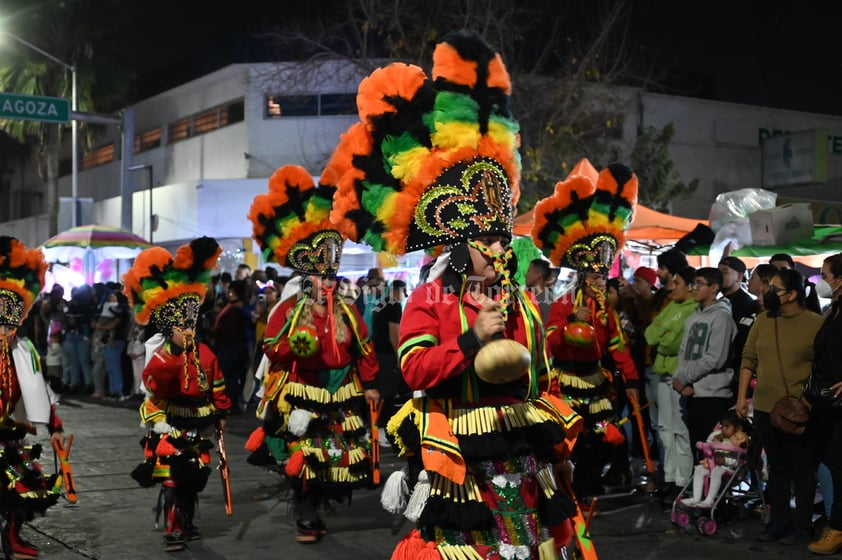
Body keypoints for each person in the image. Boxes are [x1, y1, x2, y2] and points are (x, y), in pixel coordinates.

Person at [326, 31, 584, 559]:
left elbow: (541, 373)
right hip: (459, 455)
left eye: (501, 237)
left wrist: (559, 446)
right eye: (487, 240)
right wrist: (472, 338)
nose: (499, 249)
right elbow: (415, 371)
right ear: (461, 246)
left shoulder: (522, 300)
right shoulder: (430, 299)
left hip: (522, 451)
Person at [247, 164, 380, 544]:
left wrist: (370, 384)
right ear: (308, 278)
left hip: (341, 394)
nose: (329, 284)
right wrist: (295, 346)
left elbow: (364, 348)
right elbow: (271, 348)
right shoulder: (289, 311)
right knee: (304, 457)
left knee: (335, 457)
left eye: (333, 277)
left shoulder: (349, 311)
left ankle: (318, 504)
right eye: (323, 278)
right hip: (302, 391)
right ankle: (305, 510)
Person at [533, 158, 640, 499]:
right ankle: (570, 485)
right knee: (572, 435)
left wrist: (632, 379)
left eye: (601, 276)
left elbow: (618, 347)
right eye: (593, 276)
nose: (598, 281)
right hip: (567, 380)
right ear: (581, 275)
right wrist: (570, 326)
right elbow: (550, 343)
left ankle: (590, 482)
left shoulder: (607, 310)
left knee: (599, 435)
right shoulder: (564, 303)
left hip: (596, 381)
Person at [122, 237, 232, 552]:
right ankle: (173, 526)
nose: (188, 329)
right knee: (172, 478)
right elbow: (153, 385)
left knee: (194, 477)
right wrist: (174, 354)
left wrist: (221, 413)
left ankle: (187, 519)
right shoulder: (160, 354)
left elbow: (217, 384)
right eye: (181, 325)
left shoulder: (206, 353)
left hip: (197, 423)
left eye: (192, 323)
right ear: (169, 327)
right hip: (168, 423)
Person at [735, 268, 824, 545]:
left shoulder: (816, 324)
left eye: (774, 289)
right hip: (763, 407)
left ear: (793, 294)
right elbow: (748, 359)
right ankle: (778, 522)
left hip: (801, 410)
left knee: (802, 468)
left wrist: (808, 402)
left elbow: (824, 367)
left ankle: (802, 526)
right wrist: (741, 398)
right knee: (776, 468)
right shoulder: (763, 321)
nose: (767, 294)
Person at [0, 236, 65, 559]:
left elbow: (39, 389)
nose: (5, 327)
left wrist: (53, 425)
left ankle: (12, 539)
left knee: (21, 490)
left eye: (10, 318)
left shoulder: (23, 351)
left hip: (10, 433)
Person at [644, 266, 698, 504]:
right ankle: (670, 478)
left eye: (677, 283)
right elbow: (650, 336)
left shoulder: (692, 309)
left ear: (689, 286)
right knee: (664, 429)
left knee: (680, 432)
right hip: (662, 375)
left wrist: (663, 336)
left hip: (678, 377)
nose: (671, 287)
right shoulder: (672, 307)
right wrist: (663, 335)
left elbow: (672, 343)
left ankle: (682, 482)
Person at [672, 267, 737, 454]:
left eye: (699, 284)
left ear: (714, 287)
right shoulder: (693, 316)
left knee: (711, 452)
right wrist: (680, 379)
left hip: (713, 394)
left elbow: (715, 358)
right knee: (695, 447)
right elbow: (684, 352)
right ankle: (695, 483)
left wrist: (685, 378)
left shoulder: (722, 317)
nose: (693, 288)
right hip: (692, 392)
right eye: (693, 283)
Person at [807, 253, 842, 555]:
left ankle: (838, 527)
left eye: (826, 274)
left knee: (839, 461)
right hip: (830, 401)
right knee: (832, 461)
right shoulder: (834, 309)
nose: (822, 280)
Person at [681, 410, 750, 508]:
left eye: (727, 426)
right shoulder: (718, 436)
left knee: (716, 471)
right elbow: (707, 445)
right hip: (713, 464)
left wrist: (724, 461)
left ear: (738, 428)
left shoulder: (738, 441)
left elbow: (738, 460)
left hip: (730, 471)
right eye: (722, 426)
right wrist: (714, 441)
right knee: (699, 469)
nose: (723, 429)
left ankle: (709, 500)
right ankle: (696, 497)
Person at [371, 279, 409, 439]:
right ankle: (380, 429)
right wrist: (399, 355)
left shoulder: (382, 303)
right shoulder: (394, 305)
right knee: (388, 392)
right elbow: (393, 332)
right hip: (387, 354)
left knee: (381, 390)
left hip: (377, 351)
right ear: (399, 290)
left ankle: (376, 427)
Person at [718, 256, 760, 379]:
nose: (719, 276)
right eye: (718, 271)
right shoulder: (719, 303)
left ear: (739, 277)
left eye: (724, 272)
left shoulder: (747, 305)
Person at [525, 258, 555, 323]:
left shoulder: (546, 301)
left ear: (538, 274)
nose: (526, 275)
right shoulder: (528, 295)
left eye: (528, 271)